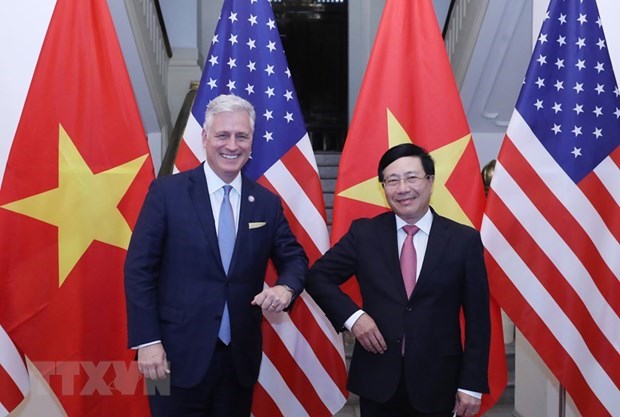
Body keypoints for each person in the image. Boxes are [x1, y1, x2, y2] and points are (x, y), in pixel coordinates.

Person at [124, 94, 308, 417]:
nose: (232, 145)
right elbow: (139, 270)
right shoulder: (166, 192)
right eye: (223, 135)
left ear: (252, 142)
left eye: (242, 136)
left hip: (238, 362)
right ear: (205, 137)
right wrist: (147, 341)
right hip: (166, 356)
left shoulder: (266, 203)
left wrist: (286, 288)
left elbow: (295, 259)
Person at [305, 143, 490, 417]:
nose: (403, 188)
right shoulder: (365, 234)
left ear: (430, 181)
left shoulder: (464, 241)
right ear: (383, 188)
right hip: (378, 382)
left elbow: (478, 319)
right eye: (392, 180)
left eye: (412, 177)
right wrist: (355, 318)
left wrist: (471, 385)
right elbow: (317, 277)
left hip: (438, 382)